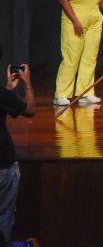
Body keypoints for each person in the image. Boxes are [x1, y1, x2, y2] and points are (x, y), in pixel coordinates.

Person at [0, 64, 35, 244]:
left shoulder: (3, 93)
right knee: (4, 213)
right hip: (3, 163)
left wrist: (8, 88)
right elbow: (29, 110)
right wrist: (27, 83)